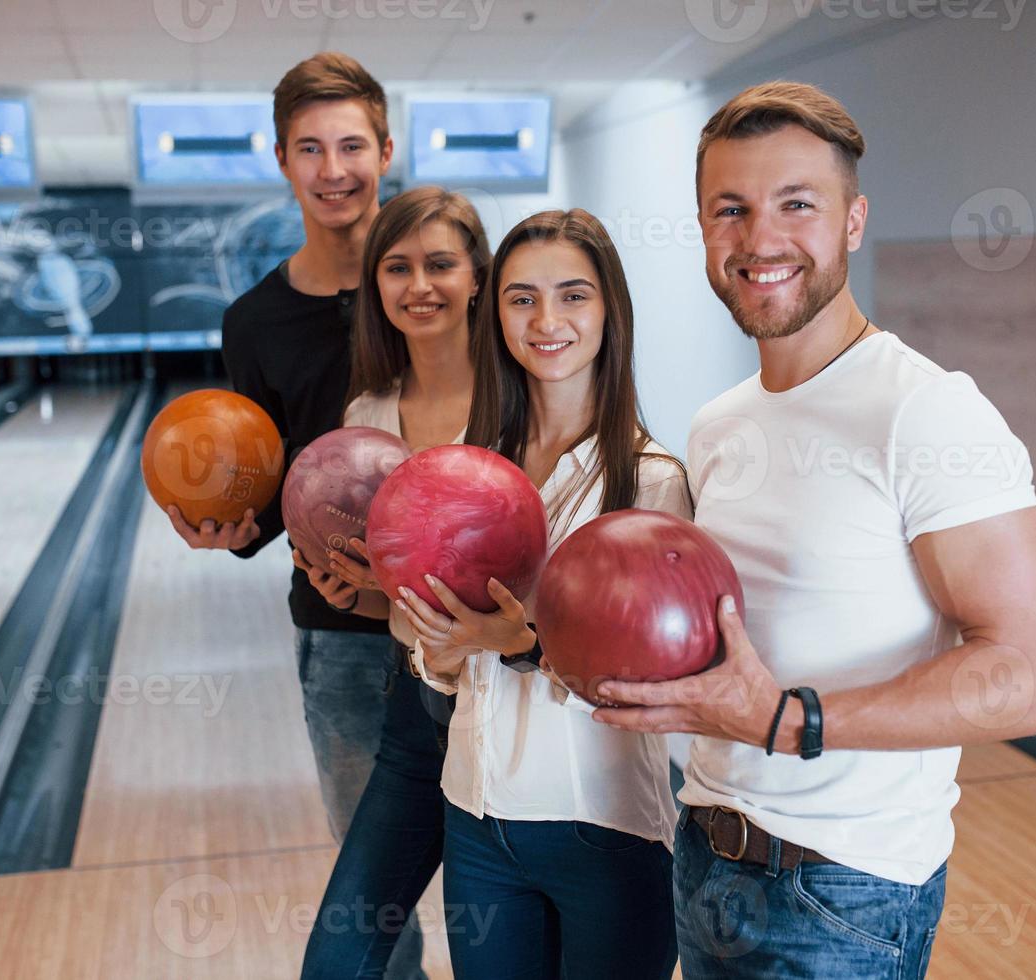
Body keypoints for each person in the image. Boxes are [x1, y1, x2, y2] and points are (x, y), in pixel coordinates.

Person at [591, 81, 1036, 978]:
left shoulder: (928, 411)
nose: (761, 239)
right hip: (704, 859)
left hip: (843, 897)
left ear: (854, 223)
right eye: (729, 209)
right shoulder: (719, 425)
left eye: (797, 205)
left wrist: (785, 721)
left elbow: (1033, 681)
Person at [161, 52, 425, 980]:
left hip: (469, 624)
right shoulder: (255, 321)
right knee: (376, 895)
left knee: (488, 870)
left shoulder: (437, 289)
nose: (333, 167)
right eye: (309, 148)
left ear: (386, 149)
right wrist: (230, 530)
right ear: (281, 159)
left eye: (351, 144)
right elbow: (263, 485)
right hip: (343, 635)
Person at [396, 209, 685, 979]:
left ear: (609, 311)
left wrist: (522, 645)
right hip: (477, 817)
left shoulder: (649, 482)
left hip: (604, 830)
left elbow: (654, 679)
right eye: (521, 298)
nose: (546, 320)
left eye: (573, 295)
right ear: (494, 316)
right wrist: (440, 646)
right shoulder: (465, 467)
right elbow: (434, 651)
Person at [298, 185, 490, 978]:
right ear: (375, 284)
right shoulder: (368, 413)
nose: (419, 286)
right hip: (417, 702)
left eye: (440, 264)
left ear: (477, 274)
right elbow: (398, 589)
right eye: (398, 268)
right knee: (341, 957)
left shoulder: (526, 398)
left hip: (513, 704)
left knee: (493, 947)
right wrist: (358, 591)